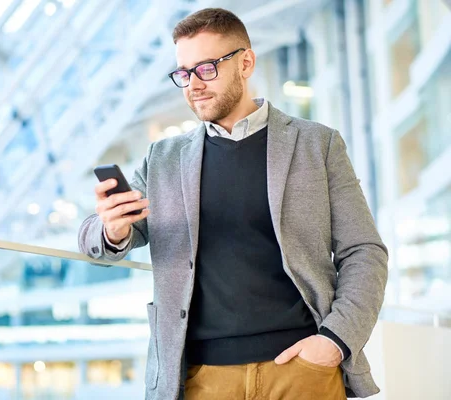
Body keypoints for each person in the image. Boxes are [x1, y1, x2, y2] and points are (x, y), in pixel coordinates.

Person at [78, 7, 388, 400]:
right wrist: (113, 228)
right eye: (184, 73)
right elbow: (93, 238)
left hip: (302, 370)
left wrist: (335, 340)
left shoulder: (317, 144)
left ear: (246, 63)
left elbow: (364, 251)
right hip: (202, 380)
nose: (193, 85)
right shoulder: (163, 159)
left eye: (207, 68)